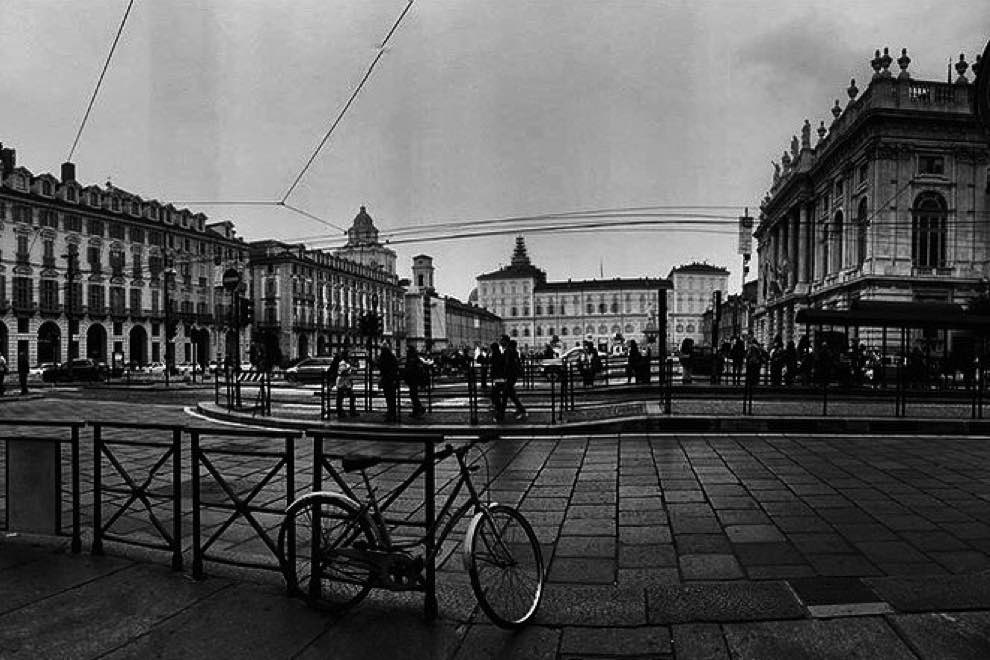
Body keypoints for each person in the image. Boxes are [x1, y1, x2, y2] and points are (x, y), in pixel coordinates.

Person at [502, 336, 526, 420]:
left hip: (510, 375)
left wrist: (504, 374)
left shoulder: (508, 351)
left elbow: (507, 364)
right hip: (513, 375)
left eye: (502, 340)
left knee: (507, 394)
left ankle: (501, 414)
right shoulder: (515, 352)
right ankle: (521, 410)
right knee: (510, 394)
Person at [376, 341, 399, 422]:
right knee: (391, 397)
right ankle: (392, 413)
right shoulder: (392, 356)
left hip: (386, 379)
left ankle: (391, 413)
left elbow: (381, 366)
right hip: (392, 379)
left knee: (388, 397)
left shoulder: (383, 357)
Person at [403, 343, 427, 418]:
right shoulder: (414, 357)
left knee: (413, 395)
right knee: (413, 395)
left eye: (407, 349)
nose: (406, 351)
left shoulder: (411, 358)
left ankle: (418, 409)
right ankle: (417, 409)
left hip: (413, 378)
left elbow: (410, 368)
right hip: (414, 379)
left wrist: (405, 373)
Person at [334, 350, 358, 418]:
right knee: (341, 397)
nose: (350, 357)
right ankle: (342, 412)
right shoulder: (342, 363)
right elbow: (342, 371)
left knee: (348, 396)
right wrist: (349, 369)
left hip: (345, 382)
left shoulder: (345, 363)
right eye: (348, 355)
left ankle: (349, 411)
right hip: (342, 382)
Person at [488, 341, 506, 421]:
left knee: (495, 394)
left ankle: (499, 412)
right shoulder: (499, 354)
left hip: (499, 377)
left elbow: (492, 364)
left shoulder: (495, 355)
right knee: (497, 394)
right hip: (501, 377)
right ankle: (499, 410)